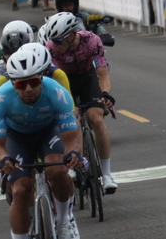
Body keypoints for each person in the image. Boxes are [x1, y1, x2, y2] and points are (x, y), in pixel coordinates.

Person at [0, 45, 81, 239]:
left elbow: (71, 137)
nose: (28, 89)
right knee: (20, 191)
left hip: (48, 132)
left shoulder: (57, 93)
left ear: (41, 78)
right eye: (20, 85)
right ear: (13, 83)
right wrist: (4, 159)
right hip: (17, 138)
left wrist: (73, 152)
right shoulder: (0, 98)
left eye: (32, 82)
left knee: (58, 170)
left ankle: (64, 220)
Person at [43, 12, 118, 193]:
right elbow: (51, 80)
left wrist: (106, 94)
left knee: (96, 119)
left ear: (70, 36)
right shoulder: (50, 48)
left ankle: (107, 174)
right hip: (64, 80)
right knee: (73, 118)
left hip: (87, 79)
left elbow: (102, 73)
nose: (55, 45)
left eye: (59, 41)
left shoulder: (92, 41)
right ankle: (78, 165)